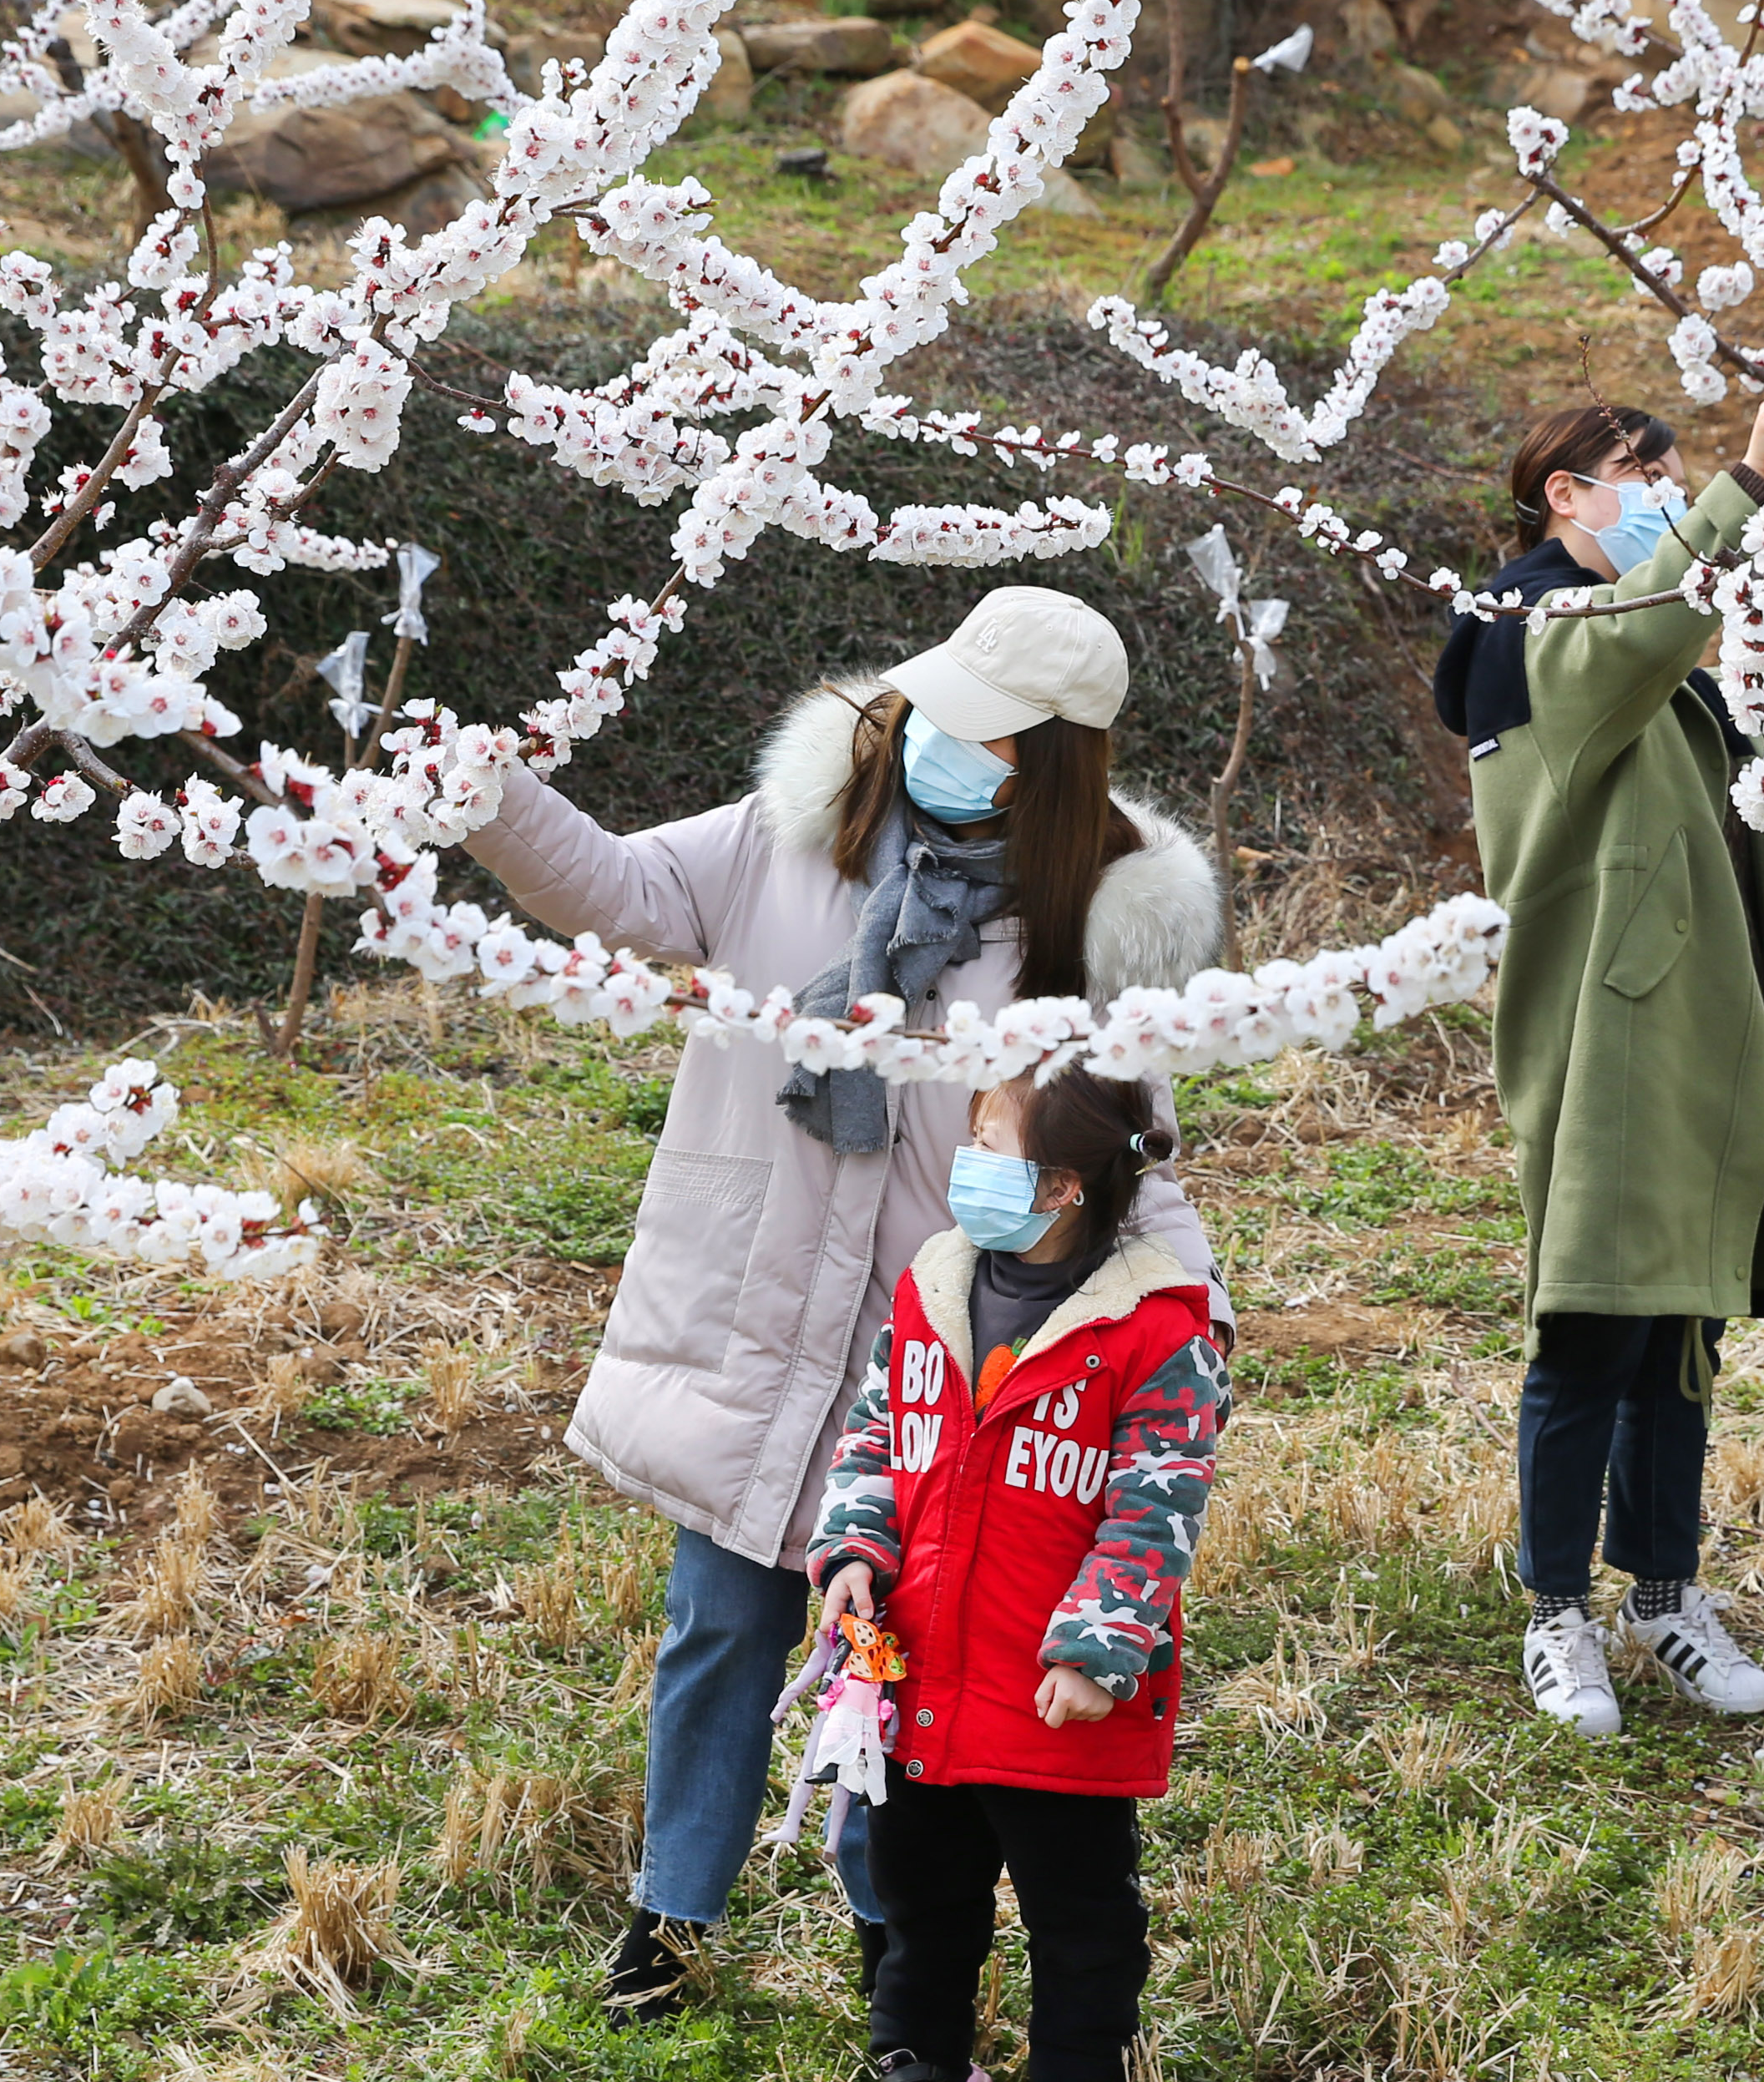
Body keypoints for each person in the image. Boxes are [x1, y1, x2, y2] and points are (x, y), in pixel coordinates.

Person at [450, 584, 1228, 2019]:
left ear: (1048, 761)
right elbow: (618, 891)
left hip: (934, 1368)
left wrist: (1188, 1298)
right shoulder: (787, 839)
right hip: (757, 1314)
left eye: (980, 731)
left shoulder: (1084, 935)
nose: (933, 738)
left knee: (897, 1667)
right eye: (935, 705)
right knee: (720, 1627)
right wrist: (492, 792)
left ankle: (895, 1935)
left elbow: (1125, 1149)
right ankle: (671, 1908)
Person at [1428, 349, 1764, 1737]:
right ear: (1565, 496)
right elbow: (1650, 624)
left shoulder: (1656, 671)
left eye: (1677, 478)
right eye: (1647, 479)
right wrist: (1756, 474)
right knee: (1592, 1319)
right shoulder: (1533, 635)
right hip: (1605, 1028)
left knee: (1678, 1328)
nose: (1668, 499)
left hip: (1698, 1033)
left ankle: (1665, 1593)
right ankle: (1560, 1612)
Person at [807, 1064, 1221, 2082]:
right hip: (923, 1674)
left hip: (1053, 1701)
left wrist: (1093, 1650)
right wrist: (856, 1548)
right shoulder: (934, 1283)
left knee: (1081, 1923)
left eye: (989, 1150)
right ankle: (912, 2060)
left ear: (1062, 1187)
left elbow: (1155, 1510)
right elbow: (873, 1437)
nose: (964, 1169)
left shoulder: (1158, 1332)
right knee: (922, 1906)